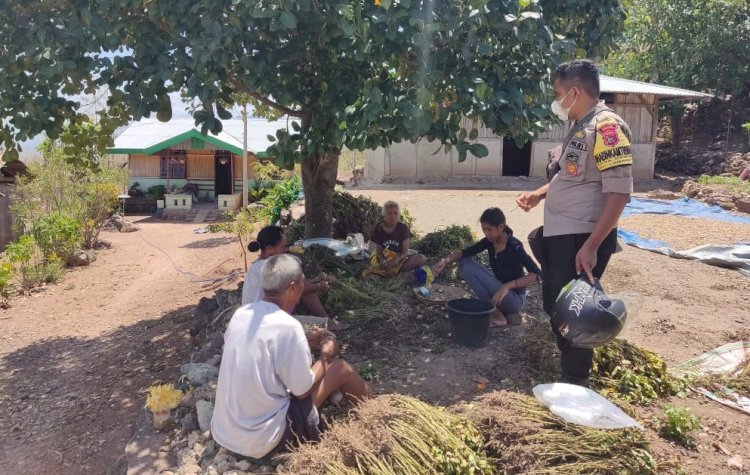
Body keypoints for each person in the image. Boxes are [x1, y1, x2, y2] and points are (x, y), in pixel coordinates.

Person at [516, 59, 633, 387]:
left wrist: (592, 245)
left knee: (577, 312)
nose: (556, 101)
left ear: (575, 92)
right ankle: (569, 372)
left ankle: (576, 383)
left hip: (581, 238)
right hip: (564, 237)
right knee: (557, 304)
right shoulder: (581, 126)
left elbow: (619, 193)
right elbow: (569, 178)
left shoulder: (607, 128)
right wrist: (539, 194)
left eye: (558, 94)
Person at [212, 254, 372, 459]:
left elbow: (260, 350)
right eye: (303, 282)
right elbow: (302, 391)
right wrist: (325, 357)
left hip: (226, 434)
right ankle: (377, 410)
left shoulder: (242, 314)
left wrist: (303, 340)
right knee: (340, 368)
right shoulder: (289, 326)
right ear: (293, 287)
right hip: (264, 441)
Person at [431, 208, 541, 327]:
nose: (486, 233)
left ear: (500, 227)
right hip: (498, 294)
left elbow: (536, 275)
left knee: (469, 267)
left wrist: (507, 286)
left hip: (514, 300)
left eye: (489, 229)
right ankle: (495, 312)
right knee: (464, 262)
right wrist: (444, 261)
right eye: (484, 229)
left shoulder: (514, 246)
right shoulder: (489, 241)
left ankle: (495, 314)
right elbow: (464, 253)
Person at [241, 226, 348, 331]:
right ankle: (328, 324)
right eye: (283, 247)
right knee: (319, 327)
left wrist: (313, 284)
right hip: (264, 325)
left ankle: (327, 323)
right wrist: (320, 286)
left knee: (303, 289)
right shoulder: (267, 267)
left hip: (265, 319)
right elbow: (302, 289)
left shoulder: (261, 265)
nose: (286, 250)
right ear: (269, 249)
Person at [365, 201, 427, 277]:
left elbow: (405, 253)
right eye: (389, 214)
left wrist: (397, 260)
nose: (393, 216)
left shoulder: (403, 228)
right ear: (384, 215)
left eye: (395, 213)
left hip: (399, 259)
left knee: (421, 259)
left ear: (398, 215)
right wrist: (382, 260)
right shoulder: (379, 228)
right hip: (385, 258)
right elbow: (379, 250)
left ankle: (390, 272)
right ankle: (390, 272)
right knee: (374, 263)